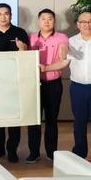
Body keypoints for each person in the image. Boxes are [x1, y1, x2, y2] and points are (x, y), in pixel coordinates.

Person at [45, 12, 91, 170]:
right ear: (78, 24)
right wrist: (46, 68)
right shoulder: (71, 41)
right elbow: (63, 62)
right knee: (79, 123)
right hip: (78, 89)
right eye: (83, 22)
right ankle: (79, 155)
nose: (87, 24)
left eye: (90, 21)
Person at [0, 3, 29, 162]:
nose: (3, 17)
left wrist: (22, 49)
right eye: (0, 14)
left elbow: (26, 58)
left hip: (15, 81)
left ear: (11, 15)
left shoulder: (20, 33)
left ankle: (12, 149)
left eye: (6, 13)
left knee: (14, 117)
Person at [26, 9, 68, 164]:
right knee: (34, 120)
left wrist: (61, 54)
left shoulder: (62, 37)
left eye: (50, 18)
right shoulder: (30, 38)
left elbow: (64, 58)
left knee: (51, 119)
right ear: (38, 21)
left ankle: (51, 152)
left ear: (54, 21)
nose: (46, 21)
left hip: (53, 84)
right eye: (43, 19)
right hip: (34, 84)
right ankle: (33, 153)